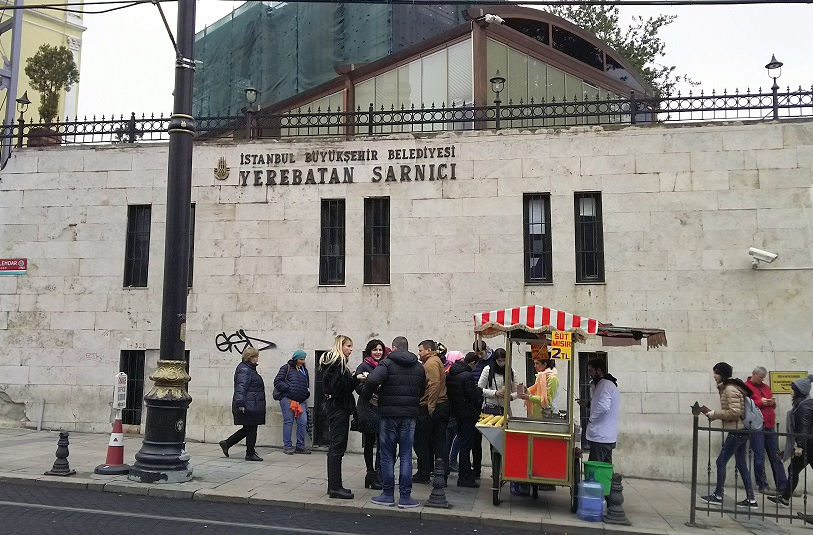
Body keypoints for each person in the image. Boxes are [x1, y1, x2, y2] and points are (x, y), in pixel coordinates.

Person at [362, 336, 426, 508]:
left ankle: (388, 494)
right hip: (410, 415)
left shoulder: (387, 364)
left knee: (387, 455)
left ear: (394, 348)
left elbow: (373, 380)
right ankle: (405, 497)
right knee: (406, 455)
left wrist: (367, 399)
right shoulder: (419, 366)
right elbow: (423, 389)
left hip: (388, 414)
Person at [699, 362, 757, 508]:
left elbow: (735, 412)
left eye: (716, 373)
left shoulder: (729, 389)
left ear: (723, 374)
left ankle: (718, 495)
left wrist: (715, 414)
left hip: (738, 431)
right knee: (742, 464)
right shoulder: (728, 388)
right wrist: (714, 415)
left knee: (720, 462)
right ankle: (751, 500)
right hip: (740, 430)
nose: (714, 376)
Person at [320, 335, 362, 499]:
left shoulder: (333, 362)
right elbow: (339, 387)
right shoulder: (338, 363)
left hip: (336, 407)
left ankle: (334, 486)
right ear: (341, 346)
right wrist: (355, 379)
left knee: (336, 447)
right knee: (337, 447)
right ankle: (336, 487)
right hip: (338, 408)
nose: (351, 349)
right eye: (348, 346)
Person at [768, 374, 813, 508]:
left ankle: (785, 498)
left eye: (792, 388)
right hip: (808, 444)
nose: (790, 391)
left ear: (799, 391)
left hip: (809, 445)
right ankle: (785, 498)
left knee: (793, 469)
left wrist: (799, 447)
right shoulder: (803, 404)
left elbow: (803, 429)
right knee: (793, 469)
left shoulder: (804, 407)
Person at [414, 340, 451, 484]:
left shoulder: (430, 363)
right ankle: (439, 474)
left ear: (429, 350)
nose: (419, 353)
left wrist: (430, 406)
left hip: (435, 406)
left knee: (421, 441)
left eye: (421, 350)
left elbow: (434, 384)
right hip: (440, 405)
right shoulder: (435, 361)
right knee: (437, 442)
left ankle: (426, 473)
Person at [745, 366, 787, 494]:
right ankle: (762, 485)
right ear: (754, 374)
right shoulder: (746, 387)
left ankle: (783, 487)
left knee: (776, 456)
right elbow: (747, 404)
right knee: (759, 457)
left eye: (764, 377)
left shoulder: (766, 387)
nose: (762, 380)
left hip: (769, 424)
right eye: (760, 377)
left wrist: (770, 402)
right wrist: (761, 401)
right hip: (757, 426)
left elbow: (773, 404)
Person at [219, 346, 266, 461]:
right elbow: (241, 388)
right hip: (249, 404)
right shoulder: (245, 370)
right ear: (250, 357)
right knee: (251, 428)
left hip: (252, 403)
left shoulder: (249, 369)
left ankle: (227, 443)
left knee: (248, 428)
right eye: (256, 356)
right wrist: (240, 404)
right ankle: (250, 453)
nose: (257, 358)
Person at [446, 351, 483, 487]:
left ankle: (464, 475)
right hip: (468, 414)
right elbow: (472, 396)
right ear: (472, 363)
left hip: (456, 413)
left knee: (462, 443)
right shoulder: (467, 376)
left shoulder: (451, 373)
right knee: (466, 446)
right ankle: (464, 477)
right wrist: (479, 391)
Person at [355, 339, 386, 490]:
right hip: (367, 408)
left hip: (381, 408)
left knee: (382, 442)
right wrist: (372, 386)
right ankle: (370, 473)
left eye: (380, 350)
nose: (378, 352)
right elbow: (358, 388)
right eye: (375, 350)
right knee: (369, 442)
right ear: (369, 351)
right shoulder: (363, 366)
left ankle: (378, 473)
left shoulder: (385, 365)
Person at [274, 349, 311, 455]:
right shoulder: (286, 368)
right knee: (288, 422)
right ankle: (287, 446)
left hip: (301, 401)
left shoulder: (304, 370)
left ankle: (300, 446)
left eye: (304, 359)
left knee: (303, 422)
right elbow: (277, 381)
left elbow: (307, 384)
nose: (303, 361)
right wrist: (289, 388)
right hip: (288, 399)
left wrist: (306, 393)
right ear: (295, 359)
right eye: (301, 359)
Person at [585, 358, 620, 464]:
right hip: (606, 437)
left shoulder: (605, 385)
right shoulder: (604, 385)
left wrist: (591, 419)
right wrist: (587, 404)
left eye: (591, 371)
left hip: (601, 437)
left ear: (599, 370)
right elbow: (600, 404)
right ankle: (609, 480)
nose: (589, 374)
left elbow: (603, 406)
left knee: (595, 471)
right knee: (605, 469)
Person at [470, 340, 493, 479]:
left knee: (493, 438)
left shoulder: (493, 360)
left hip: (489, 402)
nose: (479, 355)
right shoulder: (476, 362)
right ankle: (476, 469)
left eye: (481, 352)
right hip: (477, 402)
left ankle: (496, 468)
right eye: (477, 353)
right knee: (475, 439)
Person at [478, 348, 516, 416]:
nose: (502, 363)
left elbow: (516, 391)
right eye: (499, 361)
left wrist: (510, 397)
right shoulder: (487, 370)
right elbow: (479, 389)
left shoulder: (511, 371)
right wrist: (495, 393)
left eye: (504, 360)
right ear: (495, 360)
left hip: (505, 409)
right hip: (490, 408)